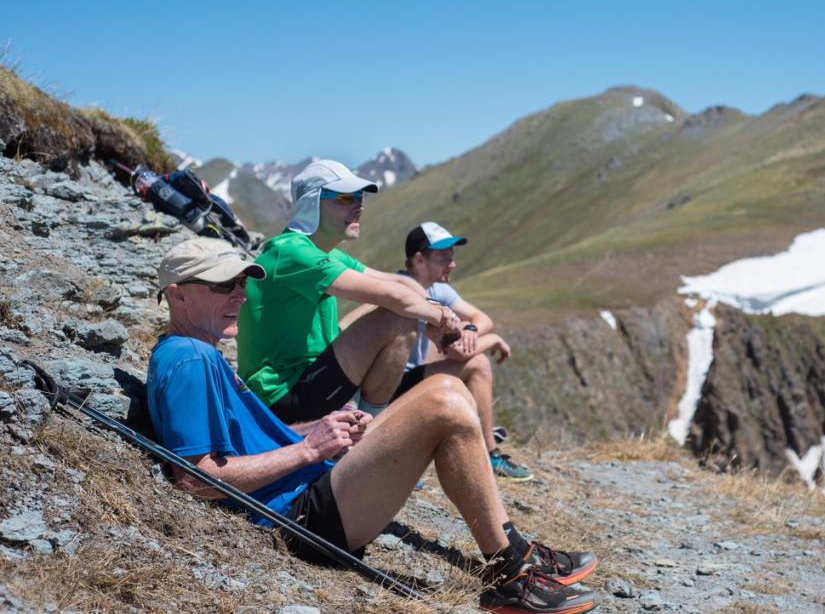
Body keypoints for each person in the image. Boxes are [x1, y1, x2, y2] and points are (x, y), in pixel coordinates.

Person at [146, 238, 599, 613]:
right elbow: (195, 479)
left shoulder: (198, 353)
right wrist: (309, 450)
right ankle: (511, 573)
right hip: (300, 519)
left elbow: (240, 446)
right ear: (178, 294)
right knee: (443, 403)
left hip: (311, 493)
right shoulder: (189, 358)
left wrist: (320, 430)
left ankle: (514, 550)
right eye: (224, 285)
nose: (240, 296)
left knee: (449, 387)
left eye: (242, 283)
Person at [236, 159, 461, 424]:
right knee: (398, 317)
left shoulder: (322, 253)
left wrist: (434, 308)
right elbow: (392, 296)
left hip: (307, 379)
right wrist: (441, 319)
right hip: (281, 397)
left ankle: (365, 425)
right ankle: (372, 431)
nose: (359, 206)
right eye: (345, 197)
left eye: (360, 198)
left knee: (395, 307)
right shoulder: (292, 253)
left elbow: (399, 283)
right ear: (312, 202)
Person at [343, 221, 530, 481]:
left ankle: (485, 452)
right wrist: (492, 339)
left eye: (451, 256)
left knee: (476, 363)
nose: (452, 264)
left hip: (405, 380)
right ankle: (489, 454)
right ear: (419, 259)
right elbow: (459, 353)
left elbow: (481, 318)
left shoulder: (438, 290)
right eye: (443, 257)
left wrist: (471, 329)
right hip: (381, 388)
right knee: (478, 364)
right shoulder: (400, 290)